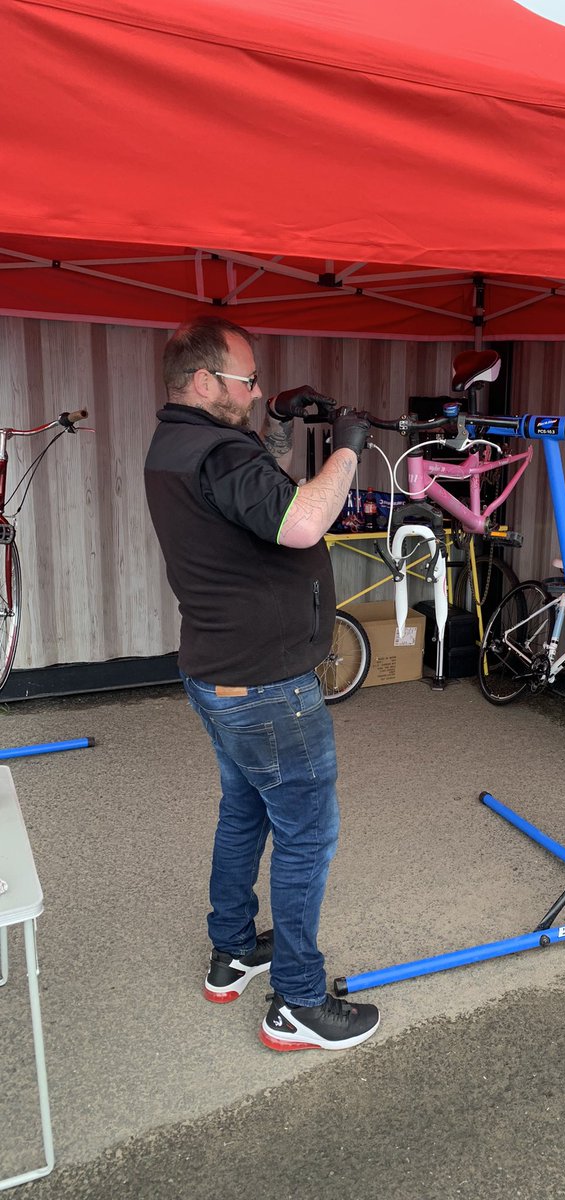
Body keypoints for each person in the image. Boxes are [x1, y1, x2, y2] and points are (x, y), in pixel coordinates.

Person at [144, 314, 379, 1052]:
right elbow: (302, 520)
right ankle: (300, 1004)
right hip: (267, 687)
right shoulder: (214, 453)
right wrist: (346, 450)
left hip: (220, 676)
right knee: (309, 833)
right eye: (248, 384)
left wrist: (277, 424)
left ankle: (234, 949)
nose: (254, 394)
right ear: (207, 380)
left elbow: (255, 489)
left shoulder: (183, 445)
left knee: (245, 810)